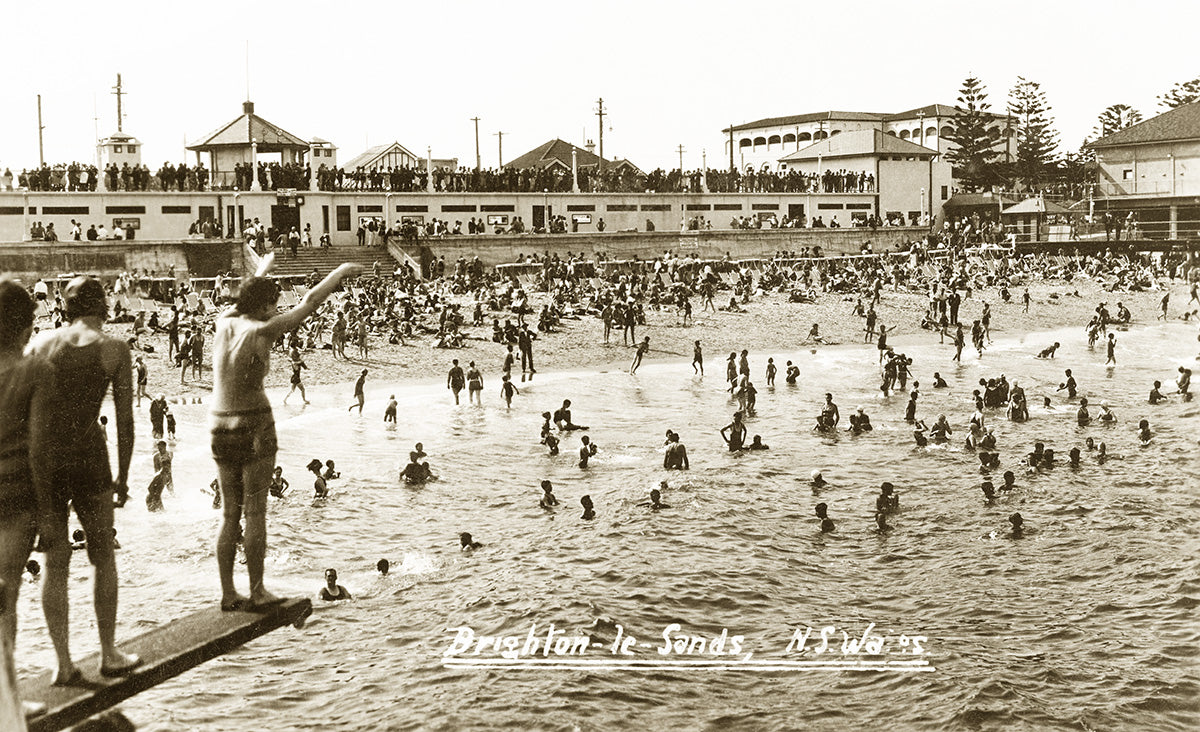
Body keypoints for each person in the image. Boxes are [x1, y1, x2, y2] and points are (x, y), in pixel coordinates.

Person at [210, 255, 362, 613]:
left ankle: (228, 593)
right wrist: (338, 272)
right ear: (265, 306)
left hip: (218, 422)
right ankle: (258, 589)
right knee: (256, 513)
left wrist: (262, 268)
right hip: (253, 421)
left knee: (229, 514)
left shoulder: (224, 321)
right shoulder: (261, 330)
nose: (275, 310)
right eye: (273, 305)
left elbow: (244, 299)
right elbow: (310, 302)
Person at [26, 276, 142, 681]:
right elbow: (125, 421)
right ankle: (109, 653)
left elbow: (26, 414)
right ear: (103, 307)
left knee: (54, 563)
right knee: (102, 556)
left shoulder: (41, 344)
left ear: (67, 306)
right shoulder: (113, 349)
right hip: (91, 458)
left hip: (48, 462)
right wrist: (124, 477)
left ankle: (62, 665)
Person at [0, 279, 56, 703]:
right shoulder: (35, 370)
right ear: (25, 328)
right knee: (8, 594)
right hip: (17, 493)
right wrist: (49, 511)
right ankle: (9, 699)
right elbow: (39, 448)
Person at [145, 440, 172, 512]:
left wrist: (167, 480)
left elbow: (167, 470)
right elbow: (156, 469)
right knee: (153, 494)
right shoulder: (156, 456)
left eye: (161, 449)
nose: (160, 450)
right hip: (160, 475)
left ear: (165, 447)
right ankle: (159, 511)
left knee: (156, 495)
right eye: (159, 449)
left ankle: (161, 511)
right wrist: (156, 476)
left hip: (164, 476)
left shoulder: (167, 456)